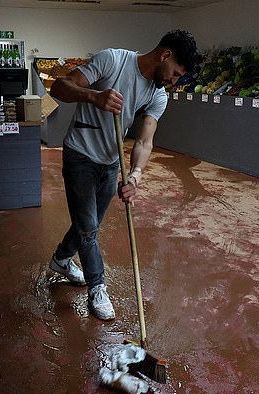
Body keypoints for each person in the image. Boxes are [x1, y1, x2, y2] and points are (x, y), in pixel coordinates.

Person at [48, 30, 199, 321]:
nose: (174, 81)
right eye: (176, 74)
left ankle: (61, 258)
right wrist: (93, 96)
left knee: (88, 222)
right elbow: (59, 87)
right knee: (89, 227)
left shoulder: (158, 95)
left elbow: (144, 142)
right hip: (79, 152)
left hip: (109, 161)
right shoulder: (112, 61)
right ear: (165, 56)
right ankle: (97, 287)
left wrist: (135, 176)